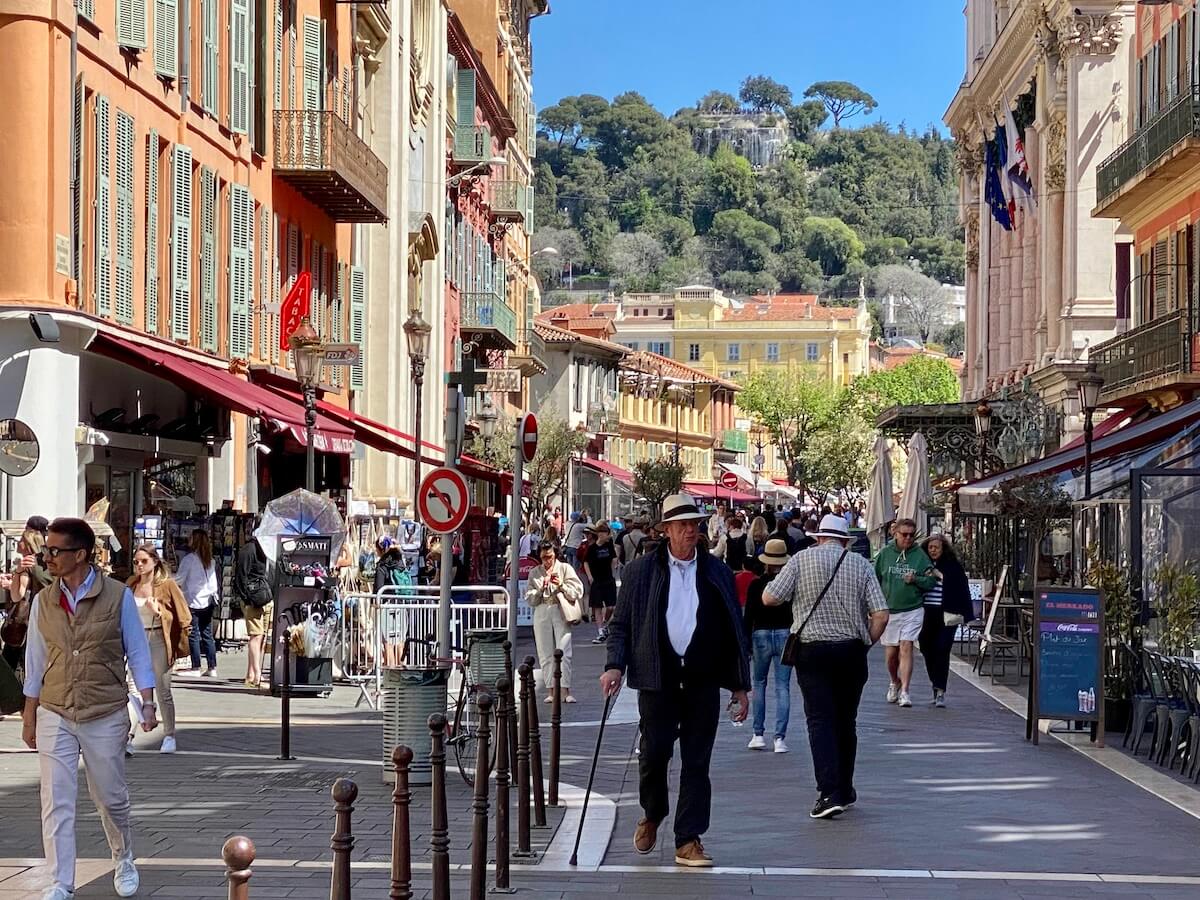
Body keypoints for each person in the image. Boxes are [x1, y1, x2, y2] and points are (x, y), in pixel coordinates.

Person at [600, 494, 750, 868]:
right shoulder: (641, 571)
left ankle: (688, 839)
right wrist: (614, 665)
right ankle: (653, 813)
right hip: (658, 678)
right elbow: (620, 625)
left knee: (697, 762)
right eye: (681, 525)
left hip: (701, 678)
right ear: (665, 530)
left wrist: (739, 687)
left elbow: (734, 631)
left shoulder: (717, 572)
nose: (689, 530)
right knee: (654, 754)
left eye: (694, 525)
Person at [22, 518, 158, 900]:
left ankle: (123, 854)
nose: (46, 557)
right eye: (46, 550)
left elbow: (138, 652)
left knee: (110, 796)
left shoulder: (117, 596)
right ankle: (61, 881)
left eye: (54, 551)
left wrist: (147, 703)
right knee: (55, 798)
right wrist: (29, 715)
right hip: (55, 709)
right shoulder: (43, 601)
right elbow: (34, 662)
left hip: (104, 710)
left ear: (79, 555)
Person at [763, 514, 889, 819]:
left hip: (813, 650)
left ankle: (829, 792)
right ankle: (844, 787)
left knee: (820, 720)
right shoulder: (860, 565)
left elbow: (770, 598)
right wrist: (865, 643)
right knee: (847, 721)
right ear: (845, 541)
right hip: (851, 651)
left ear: (819, 537)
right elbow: (881, 614)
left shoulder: (800, 560)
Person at [127, 545, 192, 753]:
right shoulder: (130, 584)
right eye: (136, 561)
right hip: (135, 640)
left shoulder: (167, 585)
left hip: (158, 638)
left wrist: (159, 612)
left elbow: (184, 617)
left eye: (144, 561)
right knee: (132, 690)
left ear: (155, 562)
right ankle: (127, 736)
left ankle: (169, 735)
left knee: (162, 689)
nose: (139, 565)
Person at [873, 517, 936, 708]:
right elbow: (873, 580)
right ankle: (895, 681)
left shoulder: (920, 555)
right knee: (891, 653)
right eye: (904, 534)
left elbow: (931, 581)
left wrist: (916, 579)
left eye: (911, 535)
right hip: (890, 610)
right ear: (895, 533)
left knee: (906, 646)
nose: (908, 538)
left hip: (913, 609)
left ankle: (906, 691)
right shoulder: (884, 554)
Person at [743, 539, 794, 754]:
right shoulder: (790, 583)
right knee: (783, 687)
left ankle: (758, 734)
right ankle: (779, 738)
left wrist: (746, 642)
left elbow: (749, 615)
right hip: (784, 633)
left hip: (760, 634)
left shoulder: (756, 584)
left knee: (759, 683)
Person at [525, 543, 583, 704]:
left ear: (555, 555)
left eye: (549, 556)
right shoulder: (535, 573)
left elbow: (578, 590)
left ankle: (565, 690)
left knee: (564, 650)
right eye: (543, 557)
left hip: (560, 609)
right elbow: (529, 598)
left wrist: (562, 585)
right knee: (545, 652)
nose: (547, 561)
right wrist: (539, 589)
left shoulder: (564, 568)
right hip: (542, 609)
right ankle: (551, 690)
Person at [920, 535, 973, 708]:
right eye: (930, 547)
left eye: (936, 547)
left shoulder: (952, 566)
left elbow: (959, 587)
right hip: (926, 613)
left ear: (944, 549)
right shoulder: (922, 564)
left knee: (942, 649)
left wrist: (939, 575)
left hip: (947, 614)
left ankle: (941, 689)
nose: (933, 550)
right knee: (926, 648)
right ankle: (935, 684)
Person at [3, 528, 51, 674]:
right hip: (49, 617)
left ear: (29, 544)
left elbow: (18, 595)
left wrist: (17, 573)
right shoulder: (47, 562)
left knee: (17, 662)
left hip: (27, 621)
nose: (19, 542)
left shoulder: (27, 565)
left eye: (22, 540)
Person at [177, 530, 219, 677]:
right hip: (208, 600)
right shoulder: (210, 560)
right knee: (207, 635)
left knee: (193, 634)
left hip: (193, 600)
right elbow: (213, 584)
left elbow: (179, 580)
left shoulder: (189, 559)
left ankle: (196, 667)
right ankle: (212, 667)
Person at [233, 537, 274, 688]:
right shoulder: (249, 549)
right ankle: (257, 675)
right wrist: (247, 598)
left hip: (265, 596)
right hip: (253, 598)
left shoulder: (266, 549)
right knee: (256, 636)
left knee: (261, 636)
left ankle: (251, 674)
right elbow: (240, 576)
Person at [585, 523, 618, 643]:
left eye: (606, 533)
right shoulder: (592, 548)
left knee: (611, 607)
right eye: (603, 533)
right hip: (596, 580)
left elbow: (614, 557)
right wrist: (590, 577)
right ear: (599, 534)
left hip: (608, 578)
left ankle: (604, 624)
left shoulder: (609, 546)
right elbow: (586, 562)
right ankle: (600, 631)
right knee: (597, 606)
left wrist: (614, 566)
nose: (605, 535)